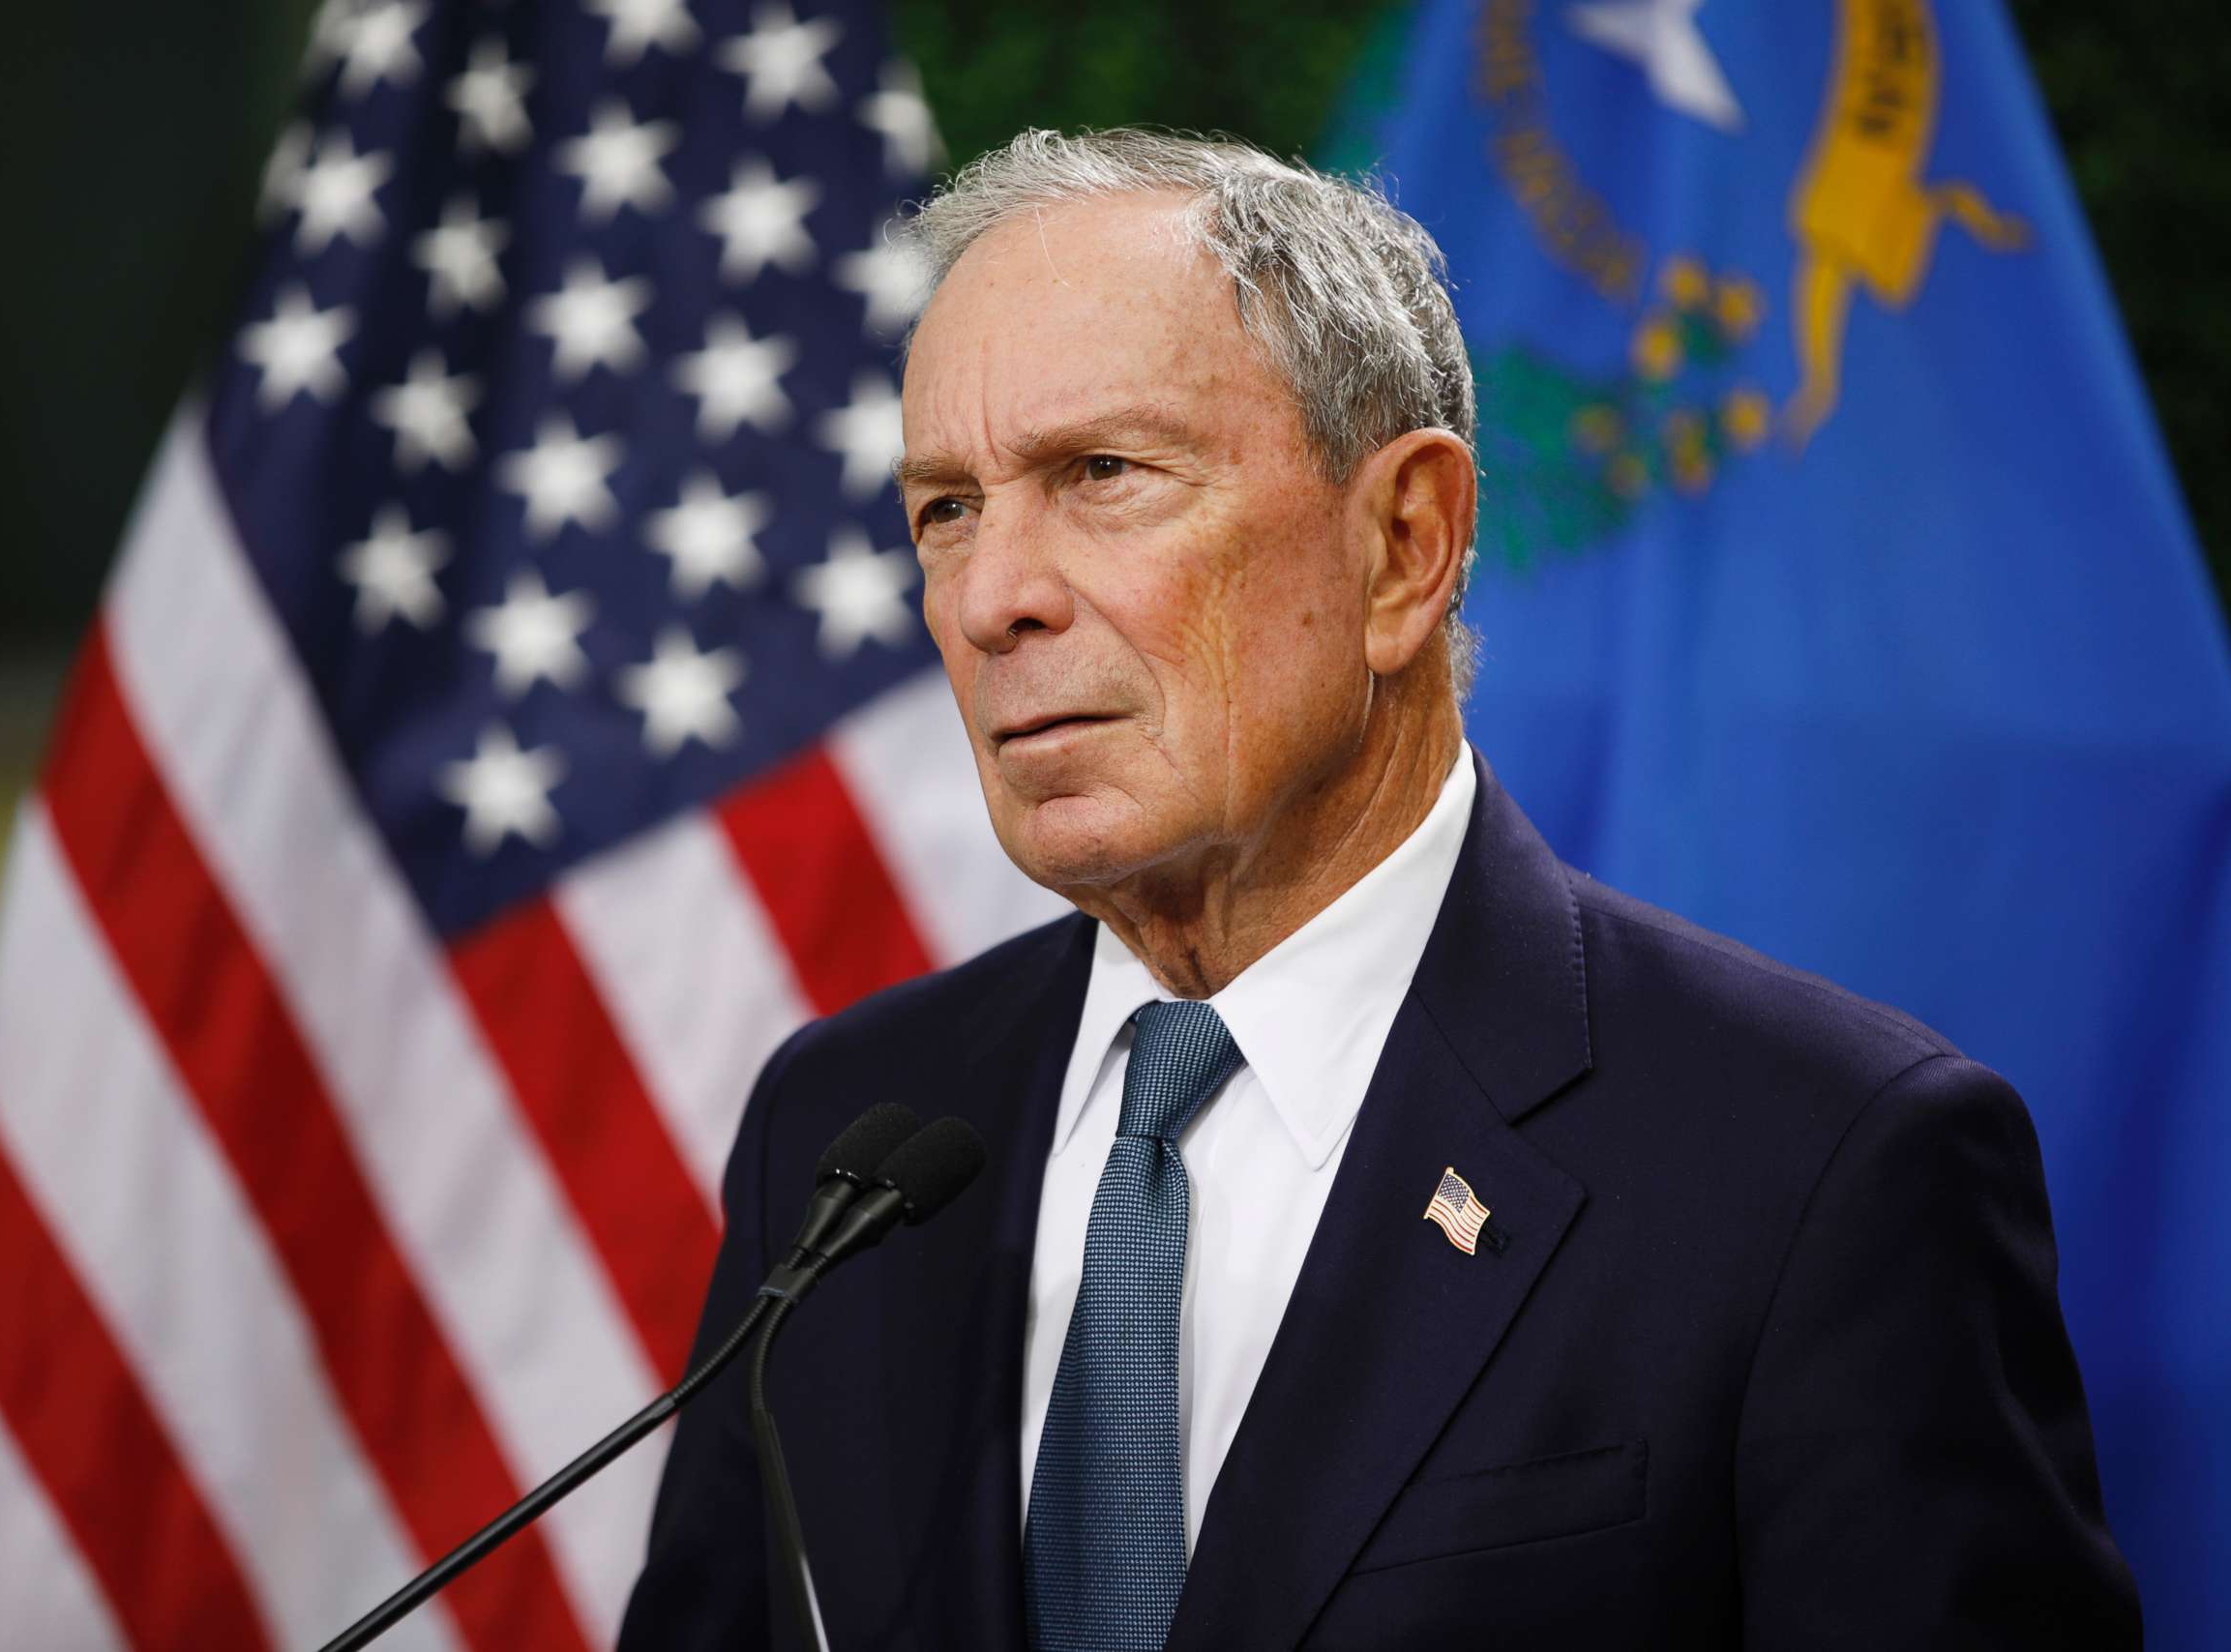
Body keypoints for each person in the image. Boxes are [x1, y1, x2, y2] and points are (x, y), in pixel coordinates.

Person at [620, 129, 2140, 1650]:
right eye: (946, 508)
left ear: (1405, 546)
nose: (991, 597)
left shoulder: (1821, 1166)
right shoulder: (847, 1136)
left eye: (1103, 474)